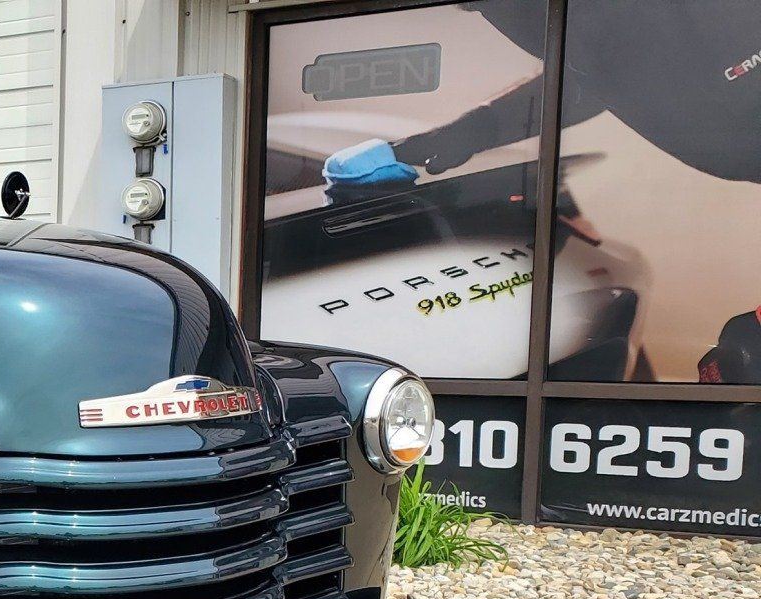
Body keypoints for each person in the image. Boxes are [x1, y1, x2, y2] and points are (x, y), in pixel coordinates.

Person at [326, 0, 761, 381]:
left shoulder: (719, 19)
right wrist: (469, 131)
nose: (513, 25)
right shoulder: (620, 46)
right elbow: (592, 76)